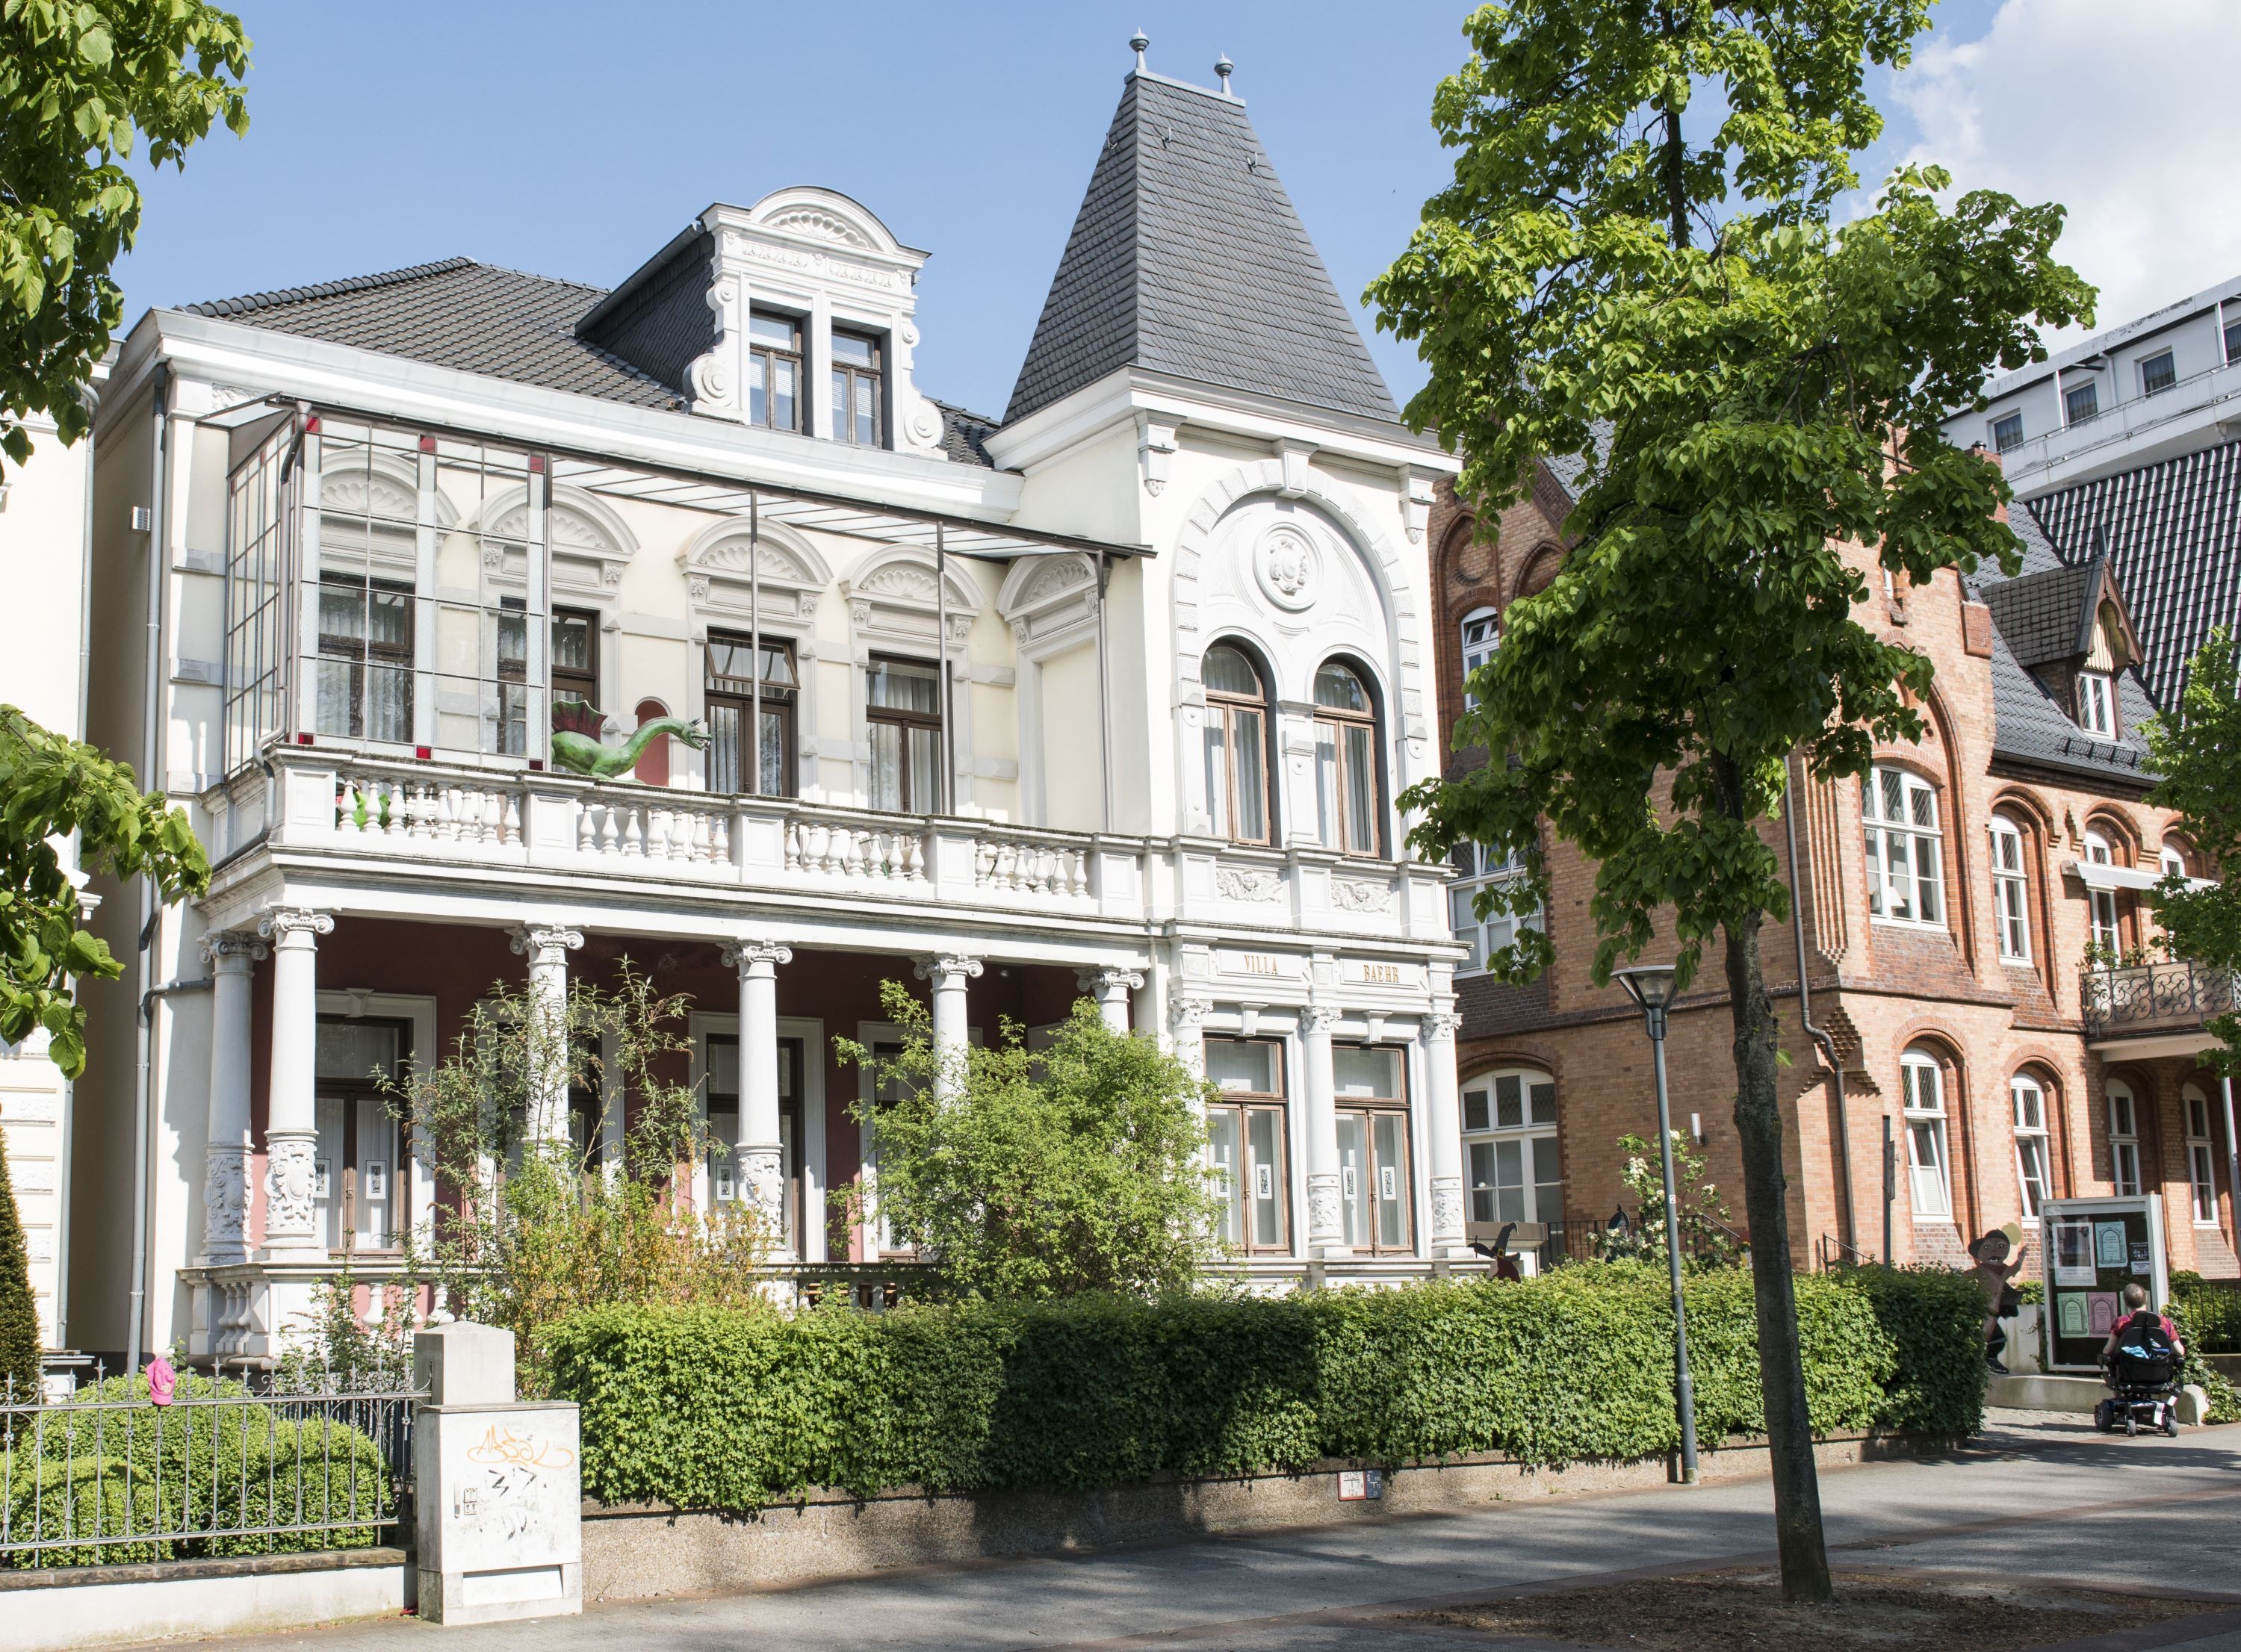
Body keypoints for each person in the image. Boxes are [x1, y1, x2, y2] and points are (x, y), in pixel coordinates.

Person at [1967, 1229, 2026, 1373]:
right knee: (1990, 1336)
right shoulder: (1981, 1271)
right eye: (1988, 1248)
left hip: (1995, 1309)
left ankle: (1987, 1359)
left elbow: (2013, 1270)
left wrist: (2020, 1259)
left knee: (1993, 1336)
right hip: (1985, 1308)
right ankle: (1985, 1360)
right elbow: (1967, 1276)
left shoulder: (2003, 1270)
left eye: (2000, 1247)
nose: (1994, 1253)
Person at [2103, 1282, 2183, 1364]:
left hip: (2129, 1372)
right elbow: (2180, 1351)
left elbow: (2108, 1350)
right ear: (2146, 1299)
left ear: (2126, 1303)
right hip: (2159, 1373)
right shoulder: (2164, 1322)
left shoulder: (2121, 1322)